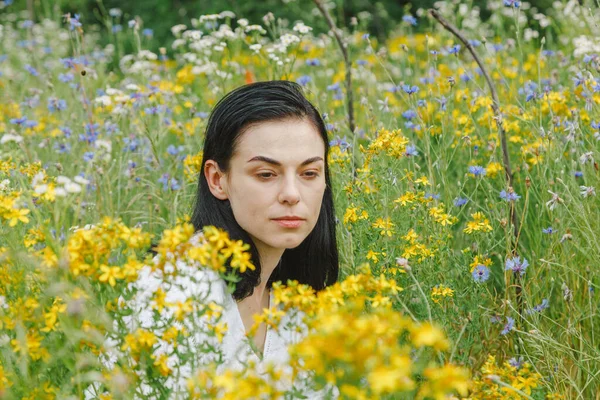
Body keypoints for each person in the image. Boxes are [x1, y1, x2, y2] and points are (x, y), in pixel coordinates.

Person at [113, 80, 340, 398]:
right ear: (217, 180)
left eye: (309, 173)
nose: (292, 194)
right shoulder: (171, 288)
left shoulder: (300, 298)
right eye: (266, 174)